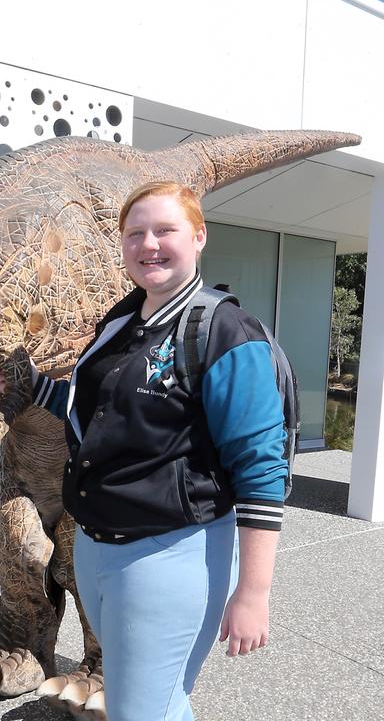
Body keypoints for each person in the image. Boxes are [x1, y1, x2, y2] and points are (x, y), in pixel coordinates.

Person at [30, 180, 287, 721]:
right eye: (135, 233)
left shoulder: (222, 329)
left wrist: (253, 592)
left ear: (198, 237)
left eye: (165, 230)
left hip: (170, 553)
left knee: (144, 711)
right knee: (138, 701)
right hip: (99, 549)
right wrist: (23, 385)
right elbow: (96, 417)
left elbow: (260, 468)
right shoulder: (123, 321)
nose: (149, 244)